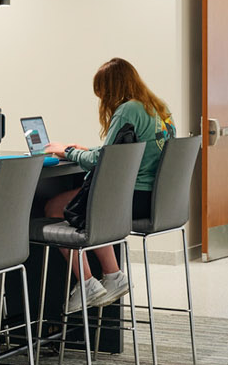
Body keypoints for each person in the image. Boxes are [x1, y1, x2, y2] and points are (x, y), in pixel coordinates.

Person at [46, 57, 174, 311]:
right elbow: (121, 150)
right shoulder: (157, 108)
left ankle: (87, 283)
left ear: (111, 90)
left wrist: (67, 151)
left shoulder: (128, 109)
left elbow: (100, 161)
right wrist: (88, 149)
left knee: (53, 208)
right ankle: (113, 275)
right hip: (156, 199)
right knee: (95, 209)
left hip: (132, 197)